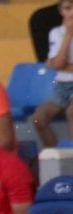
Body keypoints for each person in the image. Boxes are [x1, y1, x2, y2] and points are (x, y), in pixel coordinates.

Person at [33, 0, 73, 148]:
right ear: (61, 11)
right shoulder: (56, 32)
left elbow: (56, 64)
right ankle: (58, 155)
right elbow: (57, 64)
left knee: (72, 113)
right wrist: (68, 35)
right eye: (68, 8)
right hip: (61, 86)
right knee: (38, 118)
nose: (72, 13)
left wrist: (57, 64)